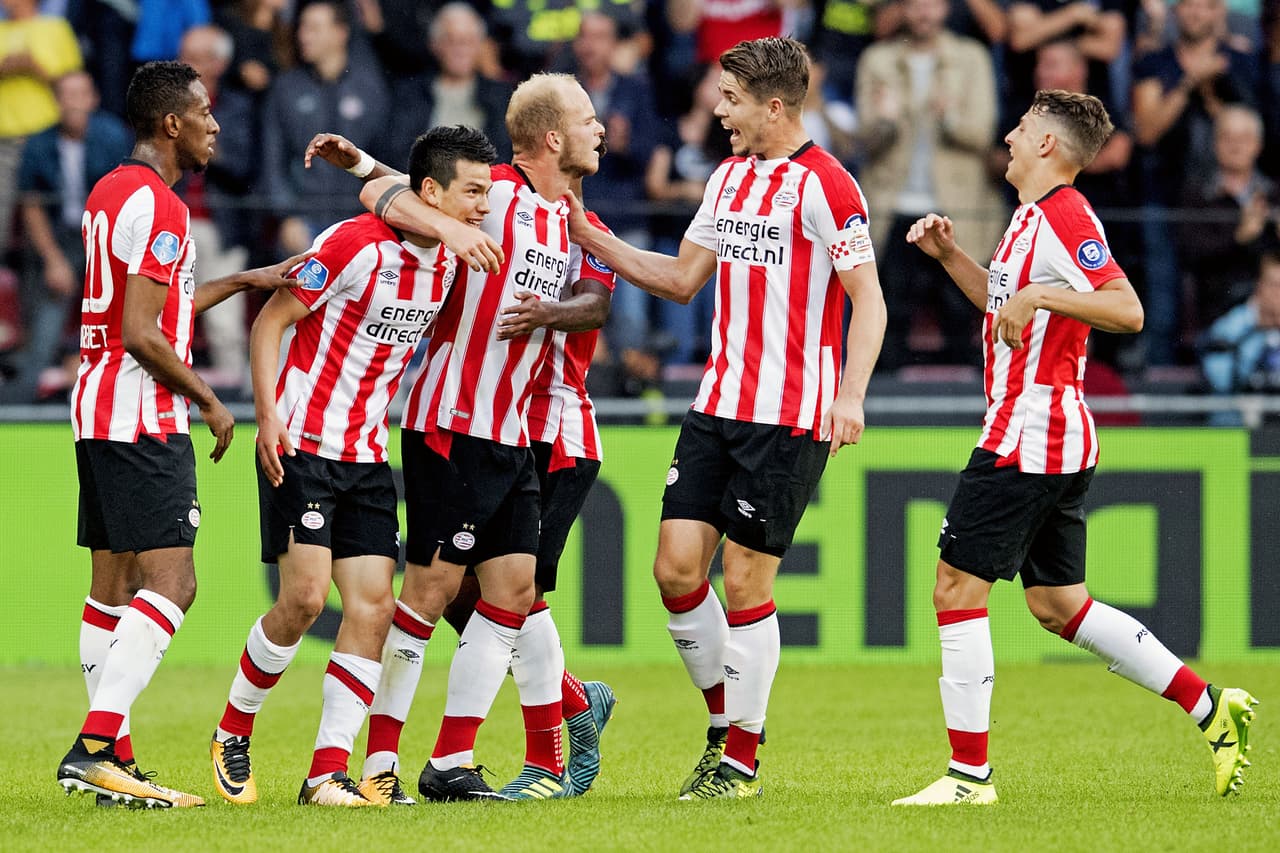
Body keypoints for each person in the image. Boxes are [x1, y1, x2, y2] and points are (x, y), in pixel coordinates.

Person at [891, 89, 1258, 806]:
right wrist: (951, 256)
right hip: (1050, 434)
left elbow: (1128, 308)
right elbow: (1004, 310)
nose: (1008, 136)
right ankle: (1212, 707)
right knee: (1060, 604)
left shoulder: (1065, 214)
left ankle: (969, 777)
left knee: (955, 588)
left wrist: (1043, 297)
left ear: (1048, 146)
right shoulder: (1030, 218)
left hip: (1029, 431)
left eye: (1022, 128)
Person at [565, 36, 887, 799]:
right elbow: (682, 278)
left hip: (789, 414)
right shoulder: (728, 177)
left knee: (744, 579)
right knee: (676, 568)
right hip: (717, 405)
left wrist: (851, 394)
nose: (719, 110)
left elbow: (869, 299)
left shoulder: (827, 185)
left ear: (774, 106)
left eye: (732, 99)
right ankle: (726, 723)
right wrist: (590, 235)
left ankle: (739, 762)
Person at [325, 72, 613, 802]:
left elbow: (597, 300)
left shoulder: (568, 222)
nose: (601, 129)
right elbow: (394, 193)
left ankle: (450, 760)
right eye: (588, 119)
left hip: (512, 432)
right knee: (430, 591)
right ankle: (379, 763)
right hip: (451, 421)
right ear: (553, 137)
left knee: (511, 592)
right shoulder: (497, 195)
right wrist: (377, 177)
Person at [208, 125, 496, 808]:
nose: (484, 206)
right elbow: (270, 322)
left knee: (373, 608)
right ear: (432, 192)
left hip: (367, 454)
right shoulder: (350, 245)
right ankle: (232, 730)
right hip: (303, 442)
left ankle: (326, 772)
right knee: (305, 599)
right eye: (473, 191)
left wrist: (369, 166)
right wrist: (268, 415)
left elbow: (394, 190)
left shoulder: (452, 261)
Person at [54, 60, 308, 809]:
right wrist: (209, 399)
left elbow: (151, 309)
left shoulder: (110, 190)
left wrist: (248, 279)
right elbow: (142, 332)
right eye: (204, 111)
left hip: (96, 406)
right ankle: (95, 746)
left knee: (111, 588)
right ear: (172, 123)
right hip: (142, 415)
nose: (214, 125)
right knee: (174, 583)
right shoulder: (163, 207)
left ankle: (115, 758)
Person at [853, 0, 1004, 367]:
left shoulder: (971, 57)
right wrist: (885, 122)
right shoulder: (877, 58)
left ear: (946, 8)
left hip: (954, 205)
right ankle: (882, 398)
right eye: (915, 4)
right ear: (902, 9)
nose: (923, 12)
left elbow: (983, 133)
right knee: (889, 316)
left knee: (960, 314)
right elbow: (864, 142)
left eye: (931, 4)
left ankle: (969, 399)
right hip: (892, 204)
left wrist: (950, 118)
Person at [6, 70, 130, 403]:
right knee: (44, 323)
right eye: (67, 95)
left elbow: (124, 197)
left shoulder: (114, 137)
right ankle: (25, 406)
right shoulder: (38, 143)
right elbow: (32, 205)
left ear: (94, 99)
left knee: (119, 320)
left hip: (106, 238)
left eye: (81, 94)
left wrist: (109, 257)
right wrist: (53, 260)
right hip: (58, 239)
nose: (74, 103)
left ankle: (117, 400)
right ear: (56, 101)